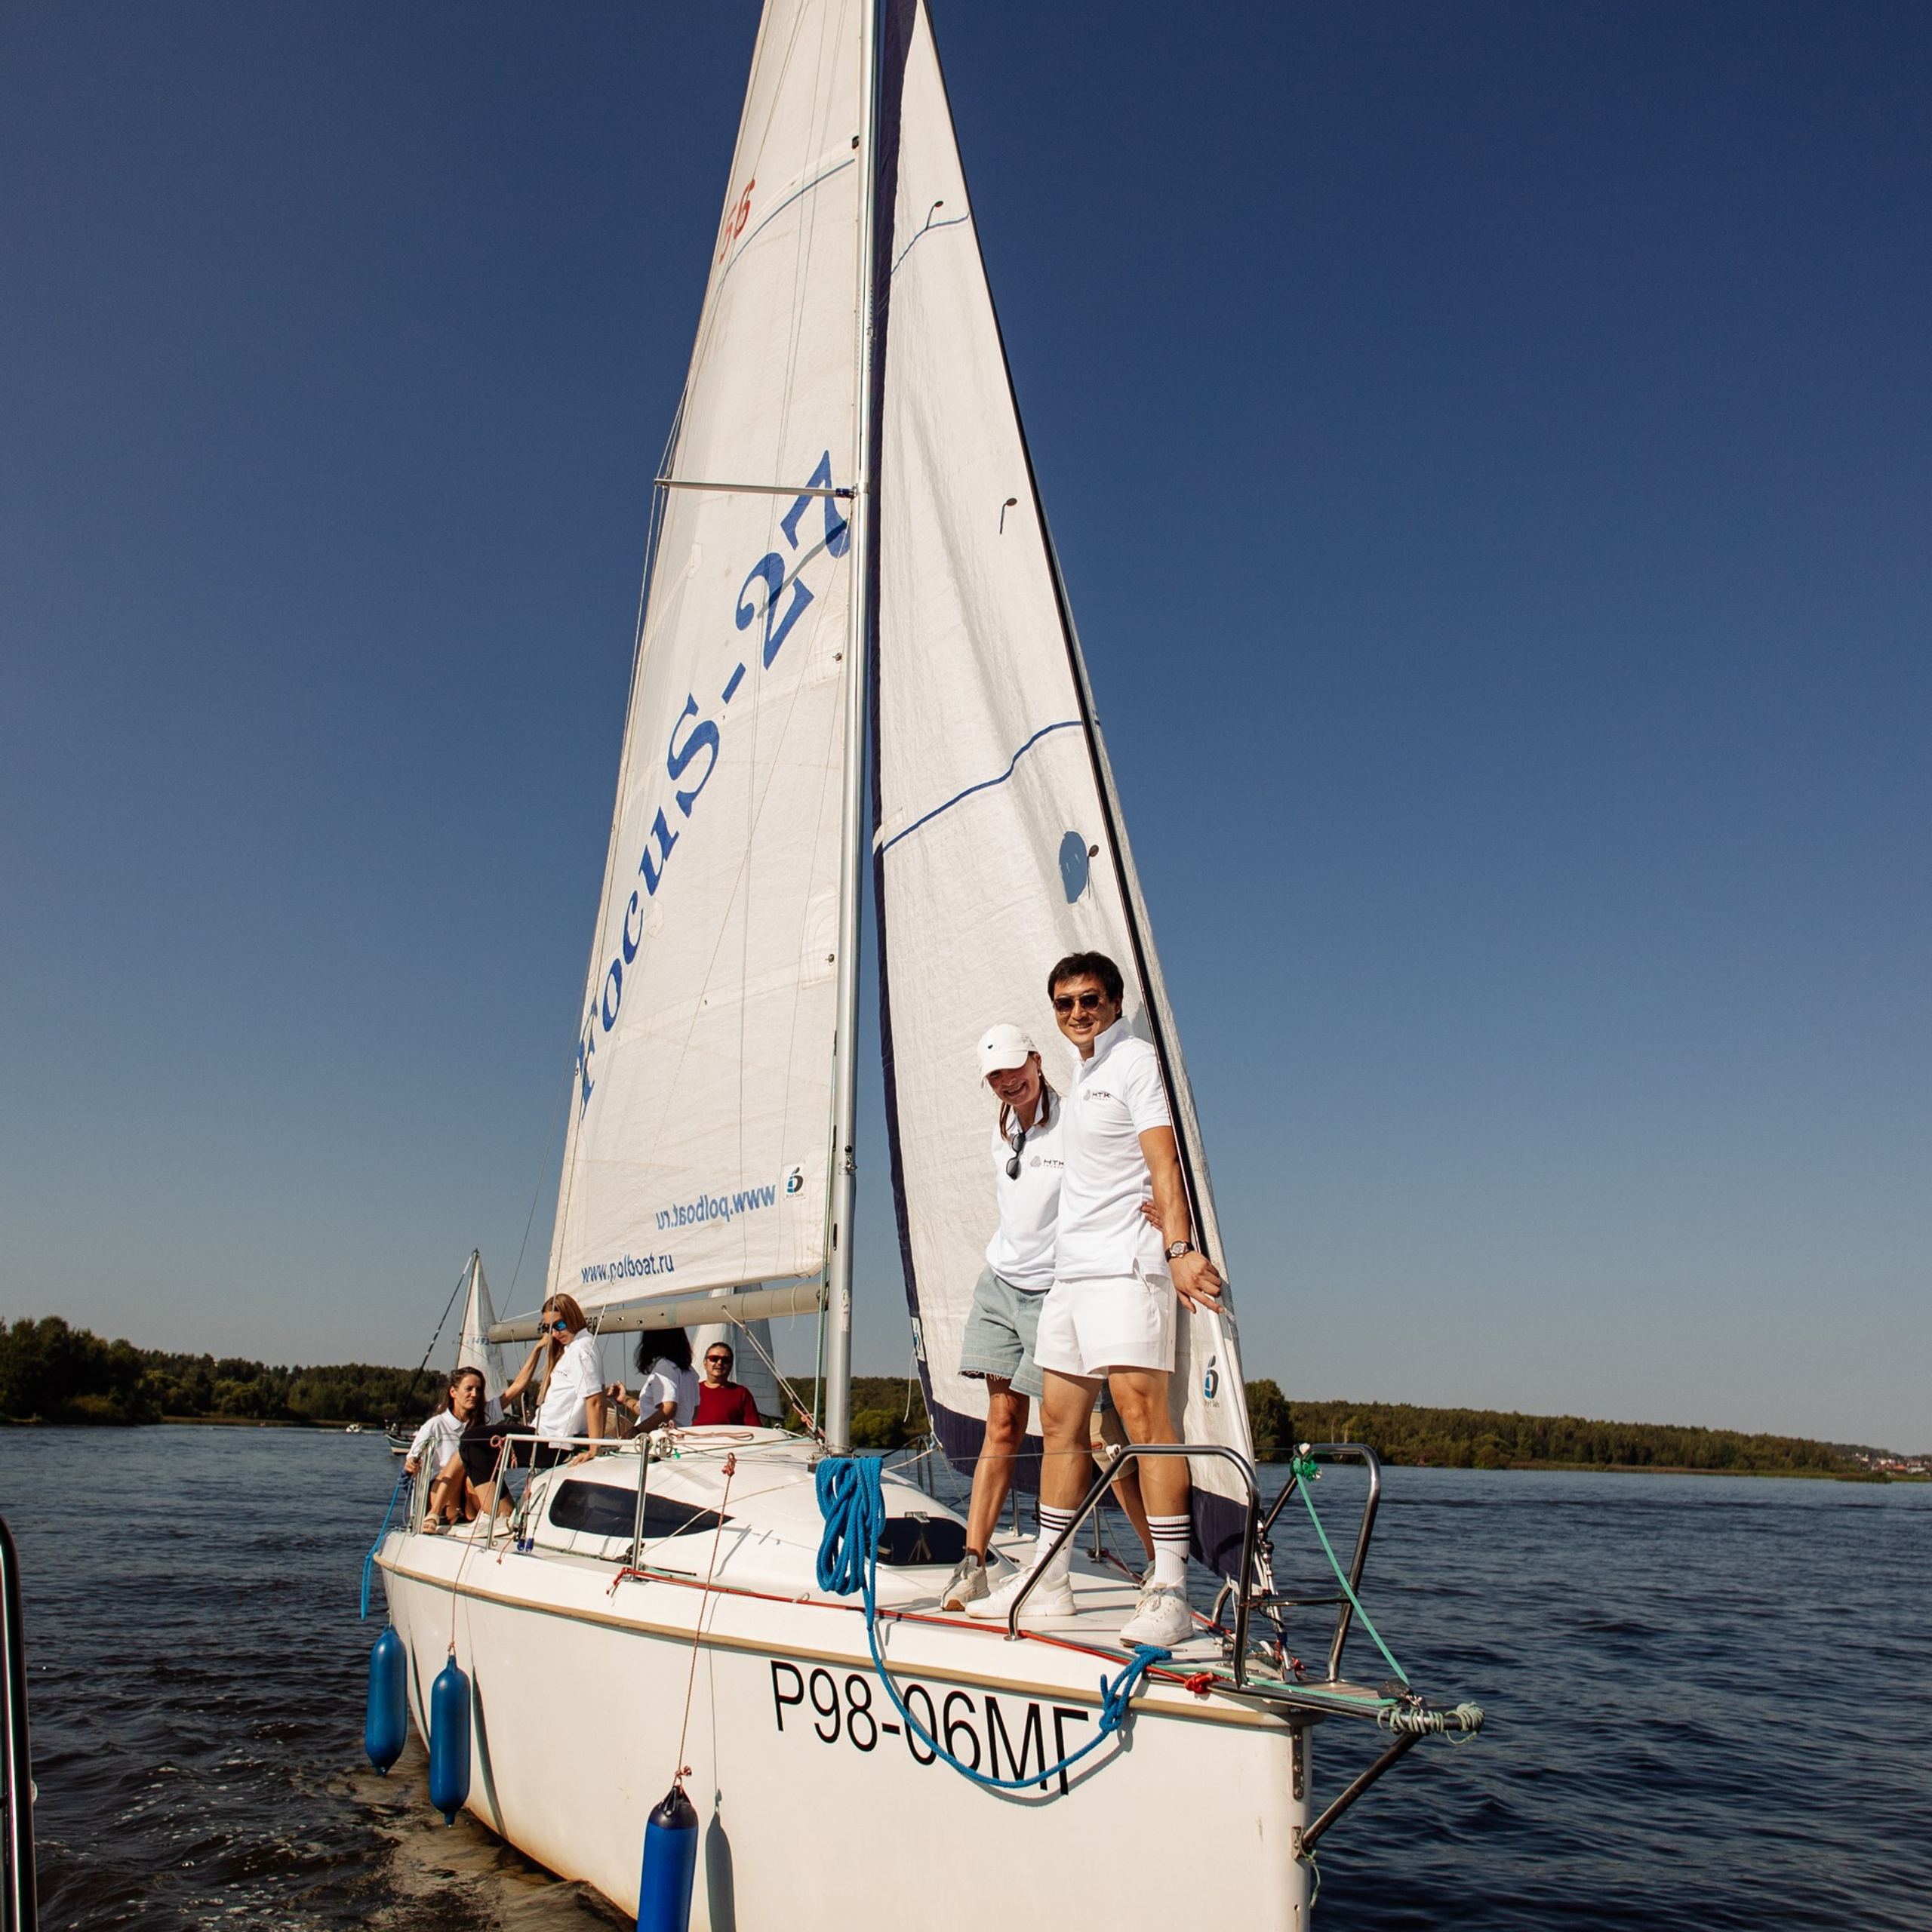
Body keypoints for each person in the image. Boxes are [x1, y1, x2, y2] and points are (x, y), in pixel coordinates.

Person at [971, 951, 1222, 1647]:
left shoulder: (1136, 1061)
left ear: (1113, 1001)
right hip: (1071, 1276)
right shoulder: (1079, 1078)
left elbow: (1164, 1157)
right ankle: (1051, 1580)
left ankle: (1169, 1584)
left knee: (1143, 1417)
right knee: (1059, 1423)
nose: (1077, 1012)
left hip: (1124, 1270)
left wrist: (1177, 1246)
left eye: (1089, 999)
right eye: (1064, 1003)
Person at [940, 1023, 1063, 1612]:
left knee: (1089, 1434)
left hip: (1054, 1292)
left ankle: (1157, 1566)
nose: (1008, 1082)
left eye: (1016, 1069)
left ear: (1037, 1061)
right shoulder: (1004, 1124)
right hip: (1000, 1286)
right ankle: (974, 1560)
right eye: (996, 1076)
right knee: (1002, 1424)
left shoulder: (1072, 1121)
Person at [404, 1366, 500, 1531]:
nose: (475, 1395)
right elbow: (412, 1459)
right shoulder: (435, 1425)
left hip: (469, 1492)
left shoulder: (483, 1420)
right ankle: (434, 1514)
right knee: (465, 1452)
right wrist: (411, 1464)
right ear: (453, 1392)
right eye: (469, 1389)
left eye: (478, 1390)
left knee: (474, 1477)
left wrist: (540, 1348)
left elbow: (518, 1387)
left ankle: (482, 1518)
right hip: (441, 1492)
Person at [611, 1329, 698, 1433]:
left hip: (658, 1442)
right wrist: (624, 1399)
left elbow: (668, 1409)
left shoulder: (665, 1367)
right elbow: (694, 1413)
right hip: (679, 1439)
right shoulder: (691, 1372)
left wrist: (636, 1431)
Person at [692, 1340, 761, 1426]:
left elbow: (755, 1428)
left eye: (725, 1360)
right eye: (714, 1359)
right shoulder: (692, 1391)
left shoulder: (741, 1393)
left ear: (731, 1365)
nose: (719, 1363)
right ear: (705, 1363)